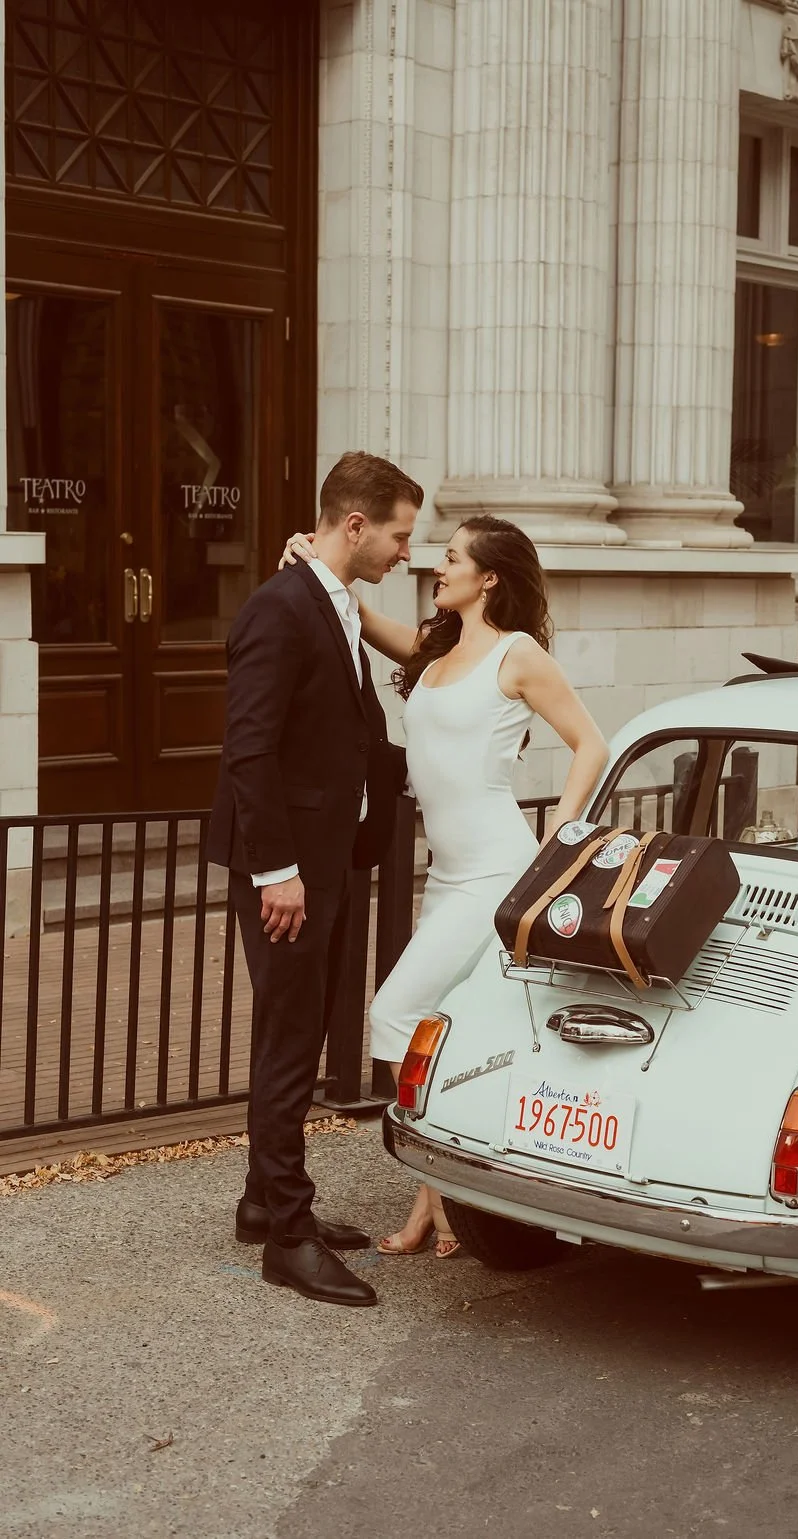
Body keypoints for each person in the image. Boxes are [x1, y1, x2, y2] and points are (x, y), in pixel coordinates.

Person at [280, 514, 609, 1258]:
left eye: (454, 557)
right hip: (447, 874)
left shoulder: (517, 654)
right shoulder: (437, 649)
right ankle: (438, 1196)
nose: (438, 564)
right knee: (442, 1031)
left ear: (489, 576)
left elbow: (592, 741)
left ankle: (439, 1187)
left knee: (395, 1013)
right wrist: (312, 559)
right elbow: (356, 616)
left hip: (495, 870)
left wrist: (563, 827)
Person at [207, 451, 423, 1308]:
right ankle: (288, 1239)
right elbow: (248, 750)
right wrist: (278, 872)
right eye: (401, 535)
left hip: (326, 859)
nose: (408, 552)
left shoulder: (329, 598)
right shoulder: (279, 607)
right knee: (291, 1044)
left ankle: (265, 1202)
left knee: (293, 1032)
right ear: (357, 524)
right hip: (289, 871)